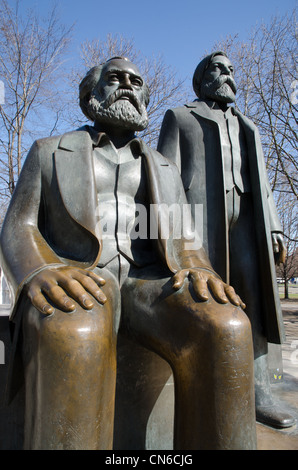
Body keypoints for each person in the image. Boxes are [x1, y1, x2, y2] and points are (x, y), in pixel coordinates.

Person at [0, 57, 256, 450]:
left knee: (227, 326)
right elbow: (20, 225)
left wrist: (201, 269)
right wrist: (40, 269)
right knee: (77, 330)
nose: (127, 86)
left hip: (148, 285)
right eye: (114, 78)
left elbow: (186, 241)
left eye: (135, 81)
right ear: (90, 97)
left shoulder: (163, 167)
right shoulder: (49, 151)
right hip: (83, 276)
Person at [158, 51, 294, 429]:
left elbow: (264, 186)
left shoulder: (249, 126)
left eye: (232, 69)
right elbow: (163, 177)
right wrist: (169, 235)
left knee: (256, 303)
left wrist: (275, 227)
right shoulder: (181, 117)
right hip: (200, 227)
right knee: (206, 304)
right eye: (218, 68)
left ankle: (259, 391)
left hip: (248, 226)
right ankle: (201, 386)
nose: (228, 74)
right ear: (200, 79)